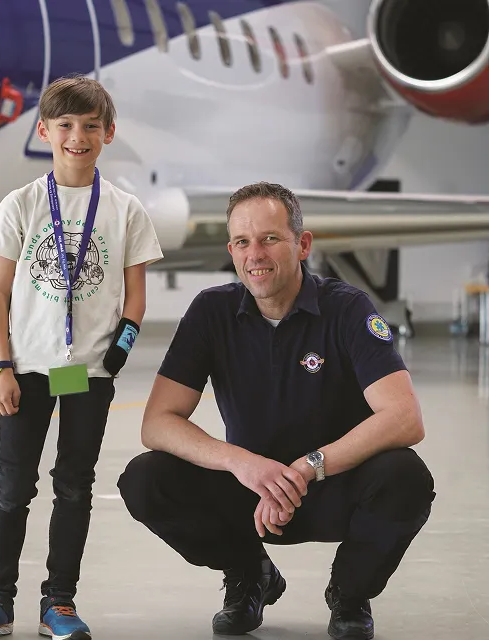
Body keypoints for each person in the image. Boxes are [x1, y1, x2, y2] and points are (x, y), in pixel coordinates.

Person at [117, 182, 435, 639]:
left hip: (333, 486)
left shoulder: (347, 309)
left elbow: (405, 417)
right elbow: (158, 424)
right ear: (231, 250)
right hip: (251, 494)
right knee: (145, 479)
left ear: (302, 244)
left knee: (406, 477)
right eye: (243, 243)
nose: (255, 255)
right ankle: (251, 574)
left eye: (270, 239)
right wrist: (243, 464)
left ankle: (350, 593)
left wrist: (308, 468)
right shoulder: (212, 312)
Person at [0, 75, 163, 640]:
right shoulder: (20, 204)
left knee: (74, 483)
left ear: (108, 133)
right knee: (12, 486)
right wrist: (0, 367)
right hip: (25, 372)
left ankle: (60, 604)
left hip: (82, 375)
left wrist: (119, 349)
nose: (78, 136)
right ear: (44, 130)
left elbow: (136, 295)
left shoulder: (125, 211)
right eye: (66, 125)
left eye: (91, 126)